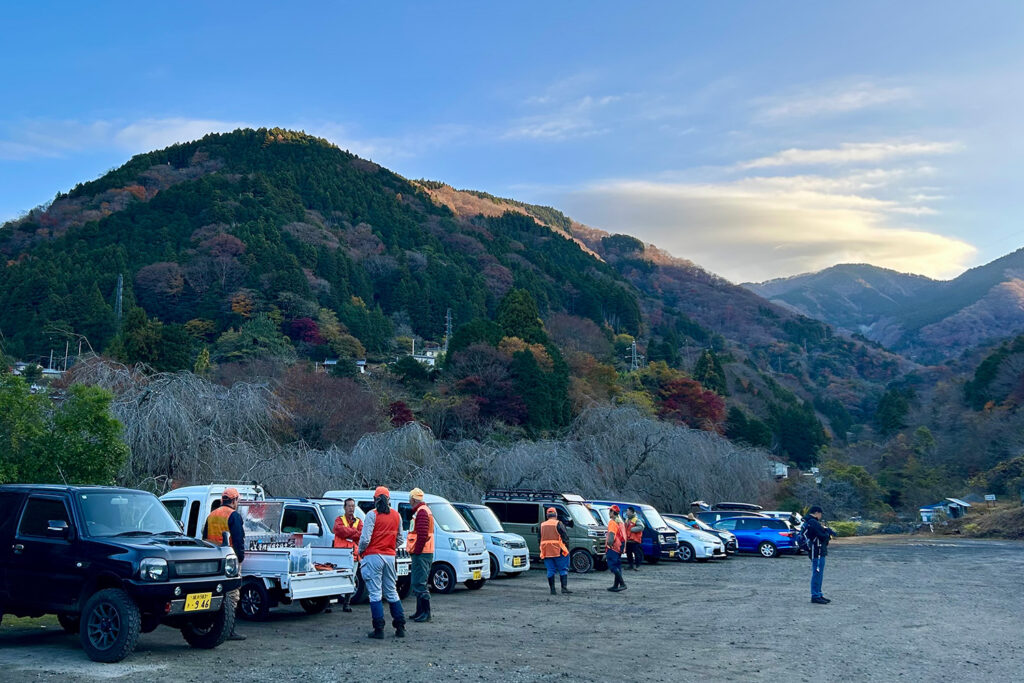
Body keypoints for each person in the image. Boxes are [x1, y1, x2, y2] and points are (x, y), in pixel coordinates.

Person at [357, 486, 407, 639]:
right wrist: (390, 547)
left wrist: (361, 551)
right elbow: (400, 539)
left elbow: (365, 539)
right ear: (389, 499)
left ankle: (379, 629)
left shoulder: (372, 515)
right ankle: (400, 627)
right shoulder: (397, 515)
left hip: (373, 556)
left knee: (375, 593)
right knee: (392, 592)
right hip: (390, 557)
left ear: (375, 499)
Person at [203, 487, 246, 641]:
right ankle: (229, 630)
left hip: (214, 561)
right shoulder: (233, 516)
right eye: (237, 500)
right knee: (232, 595)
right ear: (234, 500)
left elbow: (204, 538)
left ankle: (213, 626)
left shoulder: (211, 515)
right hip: (230, 561)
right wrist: (239, 558)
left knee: (216, 594)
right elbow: (238, 539)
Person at [407, 488, 435, 623]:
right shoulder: (423, 510)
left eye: (410, 499)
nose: (409, 501)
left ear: (413, 499)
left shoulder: (422, 512)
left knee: (420, 582)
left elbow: (422, 535)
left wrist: (417, 551)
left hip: (422, 553)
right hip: (424, 552)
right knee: (418, 581)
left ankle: (426, 613)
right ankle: (420, 611)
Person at [332, 497, 362, 612]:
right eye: (349, 506)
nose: (351, 508)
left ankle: (346, 603)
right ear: (344, 508)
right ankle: (330, 603)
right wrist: (354, 532)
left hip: (353, 555)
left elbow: (361, 534)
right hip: (340, 555)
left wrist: (348, 533)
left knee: (351, 579)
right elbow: (339, 530)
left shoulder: (359, 521)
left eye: (353, 506)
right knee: (336, 579)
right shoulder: (339, 520)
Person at [804, 505, 838, 605]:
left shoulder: (809, 521)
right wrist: (828, 533)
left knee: (818, 574)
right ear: (817, 513)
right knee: (817, 574)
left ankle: (818, 594)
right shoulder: (813, 522)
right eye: (820, 514)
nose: (821, 516)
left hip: (816, 551)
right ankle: (815, 595)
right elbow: (822, 536)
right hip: (817, 551)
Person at [538, 507, 572, 595]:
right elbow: (565, 537)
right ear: (556, 515)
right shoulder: (558, 523)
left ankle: (552, 590)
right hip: (559, 550)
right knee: (563, 569)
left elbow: (539, 539)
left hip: (546, 551)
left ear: (547, 515)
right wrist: (567, 548)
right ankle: (564, 588)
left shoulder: (542, 525)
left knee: (550, 570)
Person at [605, 505, 627, 592]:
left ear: (613, 513)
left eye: (610, 511)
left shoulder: (612, 522)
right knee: (617, 566)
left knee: (612, 566)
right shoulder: (620, 522)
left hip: (613, 547)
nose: (609, 513)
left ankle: (622, 584)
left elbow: (611, 535)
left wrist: (608, 546)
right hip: (619, 547)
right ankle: (615, 586)